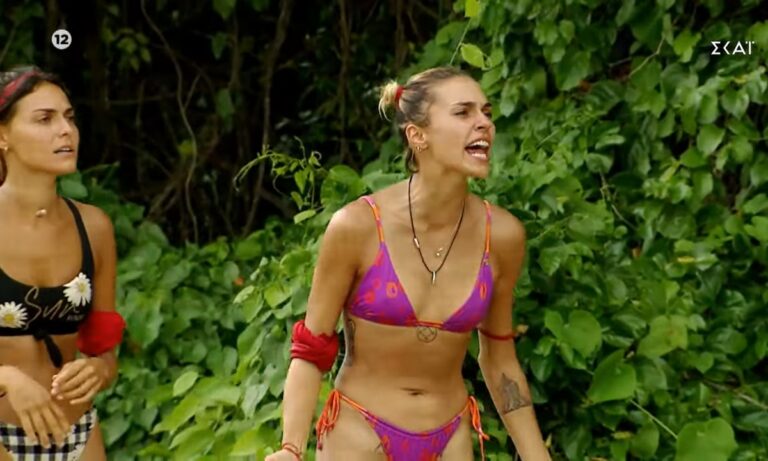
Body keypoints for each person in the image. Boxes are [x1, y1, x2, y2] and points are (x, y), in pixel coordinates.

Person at [266, 66, 550, 460]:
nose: (484, 123)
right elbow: (312, 347)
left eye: (486, 113)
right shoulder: (358, 226)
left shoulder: (502, 236)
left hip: (450, 438)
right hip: (360, 432)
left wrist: (538, 457)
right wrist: (291, 448)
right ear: (417, 136)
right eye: (463, 112)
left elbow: (500, 359)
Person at [0, 66, 126, 460]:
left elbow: (104, 352)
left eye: (69, 117)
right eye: (45, 119)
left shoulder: (94, 227)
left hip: (79, 434)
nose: (65, 130)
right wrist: (6, 378)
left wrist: (99, 369)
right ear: (3, 136)